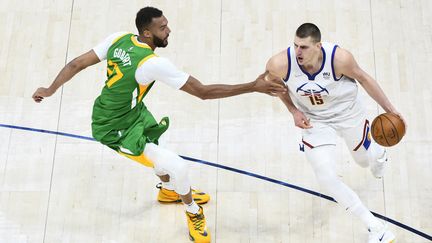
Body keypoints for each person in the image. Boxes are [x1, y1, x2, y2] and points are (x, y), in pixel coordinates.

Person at [32, 6, 286, 243]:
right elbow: (203, 92)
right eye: (162, 28)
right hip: (114, 129)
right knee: (178, 166)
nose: (168, 30)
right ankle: (192, 211)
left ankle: (166, 191)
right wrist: (253, 86)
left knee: (158, 147)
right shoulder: (153, 63)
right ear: (147, 33)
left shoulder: (119, 38)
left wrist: (51, 89)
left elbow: (77, 63)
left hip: (128, 112)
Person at [264, 23, 404, 243]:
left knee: (364, 162)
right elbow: (274, 86)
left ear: (318, 46)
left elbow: (365, 79)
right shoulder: (279, 64)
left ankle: (378, 153)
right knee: (327, 178)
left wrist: (391, 111)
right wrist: (293, 111)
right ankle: (376, 228)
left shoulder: (339, 59)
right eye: (295, 45)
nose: (298, 52)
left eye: (304, 47)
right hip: (315, 121)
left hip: (349, 113)